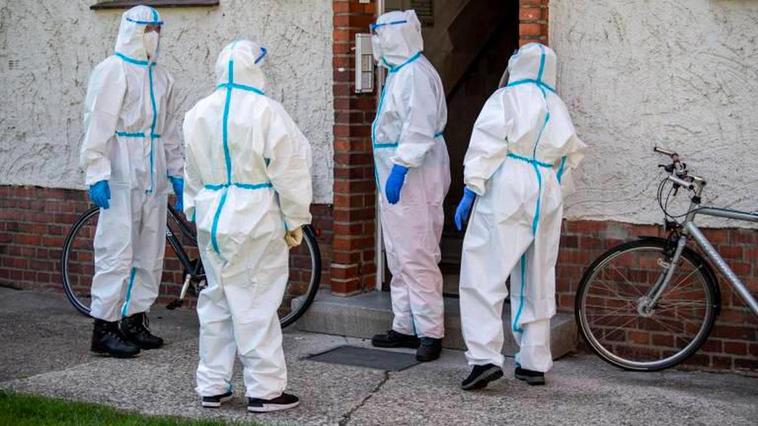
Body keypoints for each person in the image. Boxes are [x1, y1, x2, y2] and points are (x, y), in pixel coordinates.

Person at [183, 39, 311, 413]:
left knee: (217, 301)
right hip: (255, 216)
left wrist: (195, 207)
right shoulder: (267, 112)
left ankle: (212, 386)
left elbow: (190, 171)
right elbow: (290, 169)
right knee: (256, 300)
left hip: (212, 216)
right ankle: (265, 391)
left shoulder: (198, 112)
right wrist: (295, 217)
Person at [455, 43, 586, 389]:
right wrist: (552, 190)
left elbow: (486, 143)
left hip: (508, 179)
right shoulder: (556, 105)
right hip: (546, 185)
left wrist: (472, 187)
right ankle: (534, 361)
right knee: (538, 274)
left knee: (484, 269)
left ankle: (484, 358)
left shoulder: (506, 98)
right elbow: (570, 158)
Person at [80, 5, 183, 358]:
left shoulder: (162, 77)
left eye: (159, 29)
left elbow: (168, 131)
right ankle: (104, 326)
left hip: (152, 168)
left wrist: (177, 172)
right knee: (116, 247)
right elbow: (99, 123)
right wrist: (97, 171)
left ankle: (134, 319)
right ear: (135, 31)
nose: (156, 35)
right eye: (151, 29)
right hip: (122, 165)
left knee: (150, 248)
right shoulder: (113, 70)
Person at [368, 10, 451, 363]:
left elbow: (418, 128)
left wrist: (401, 167)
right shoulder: (401, 74)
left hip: (414, 173)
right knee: (399, 253)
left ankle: (430, 332)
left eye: (380, 36)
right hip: (398, 171)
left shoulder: (414, 74)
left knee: (417, 252)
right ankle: (404, 325)